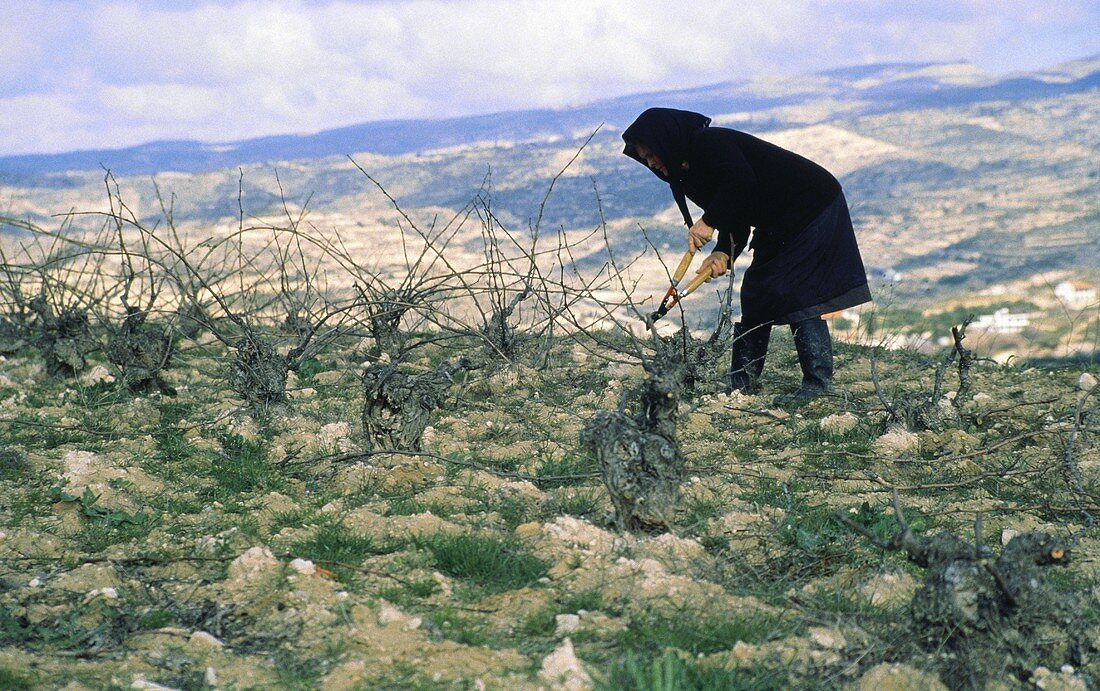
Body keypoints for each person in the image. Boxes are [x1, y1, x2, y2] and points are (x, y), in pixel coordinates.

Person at [622, 107, 872, 404]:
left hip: (810, 204)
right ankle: (742, 384)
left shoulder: (708, 144)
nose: (651, 163)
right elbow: (735, 215)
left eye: (651, 154)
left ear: (665, 141)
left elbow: (740, 183)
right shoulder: (686, 174)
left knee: (796, 290)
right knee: (756, 291)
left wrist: (708, 222)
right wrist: (721, 253)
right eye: (645, 159)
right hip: (778, 218)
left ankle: (818, 386)